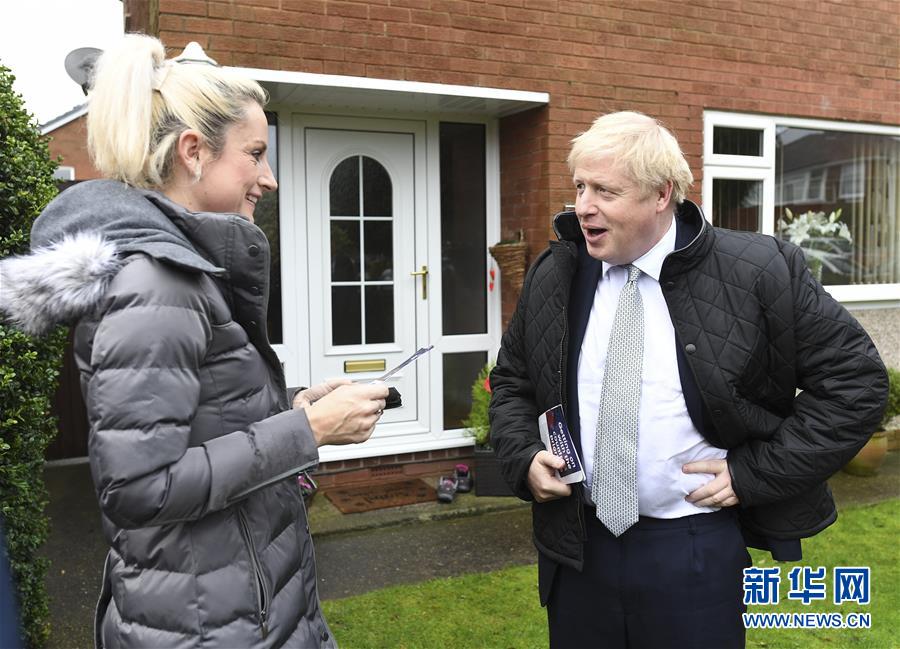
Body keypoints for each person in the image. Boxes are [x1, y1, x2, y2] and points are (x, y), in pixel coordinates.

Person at [0, 34, 388, 648]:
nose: (269, 178)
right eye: (256, 154)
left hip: (235, 608)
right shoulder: (155, 283)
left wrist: (294, 412)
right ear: (193, 152)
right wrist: (307, 433)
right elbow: (138, 490)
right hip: (206, 625)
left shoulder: (182, 273)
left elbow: (198, 426)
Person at [488, 111, 888, 648]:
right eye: (579, 186)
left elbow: (856, 383)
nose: (583, 207)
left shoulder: (758, 270)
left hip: (694, 549)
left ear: (661, 195)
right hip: (578, 549)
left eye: (605, 190)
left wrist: (756, 473)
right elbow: (512, 383)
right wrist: (523, 458)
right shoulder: (555, 272)